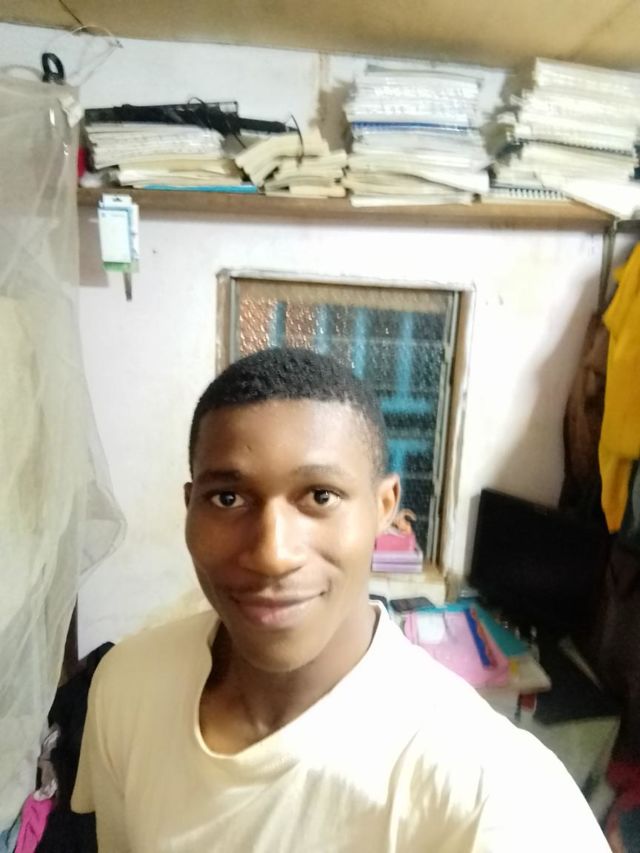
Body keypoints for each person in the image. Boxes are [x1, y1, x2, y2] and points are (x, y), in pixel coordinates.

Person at [72, 348, 609, 852]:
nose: (272, 555)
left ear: (384, 507)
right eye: (228, 498)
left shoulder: (494, 797)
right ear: (191, 506)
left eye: (320, 496)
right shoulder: (126, 686)